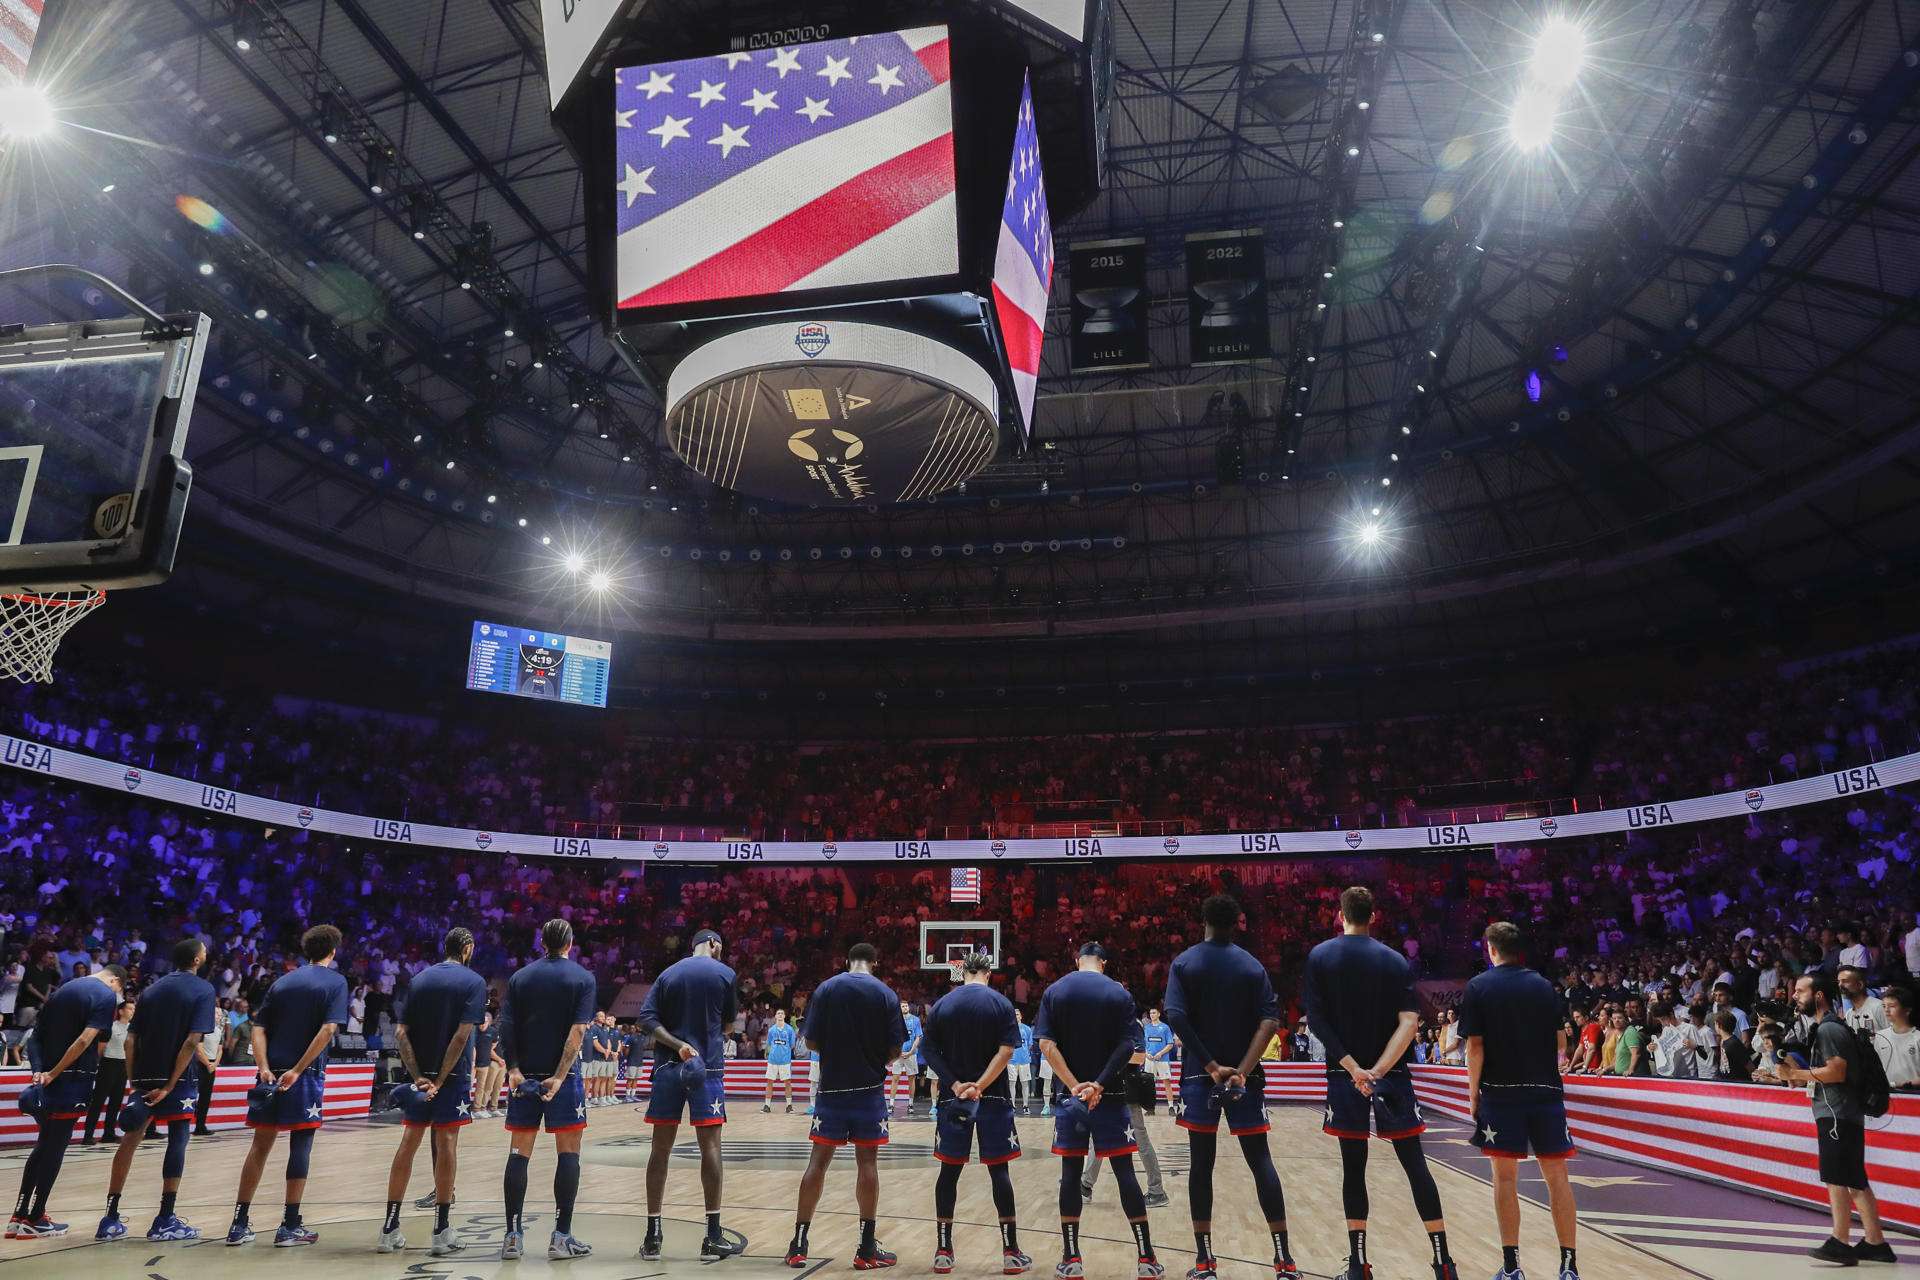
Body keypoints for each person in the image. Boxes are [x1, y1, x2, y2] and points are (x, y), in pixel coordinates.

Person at [1302, 886, 1457, 1280]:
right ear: (1373, 916)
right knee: (1415, 1164)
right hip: (1394, 1076)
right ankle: (1444, 1263)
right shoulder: (1394, 960)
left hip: (1345, 1076)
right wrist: (1380, 1070)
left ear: (1340, 915)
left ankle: (1358, 1265)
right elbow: (1409, 1022)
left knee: (1353, 1169)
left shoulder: (1320, 956)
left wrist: (1355, 1069)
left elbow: (1316, 1021)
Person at [1163, 895, 1294, 1280]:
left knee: (1201, 1166)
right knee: (1261, 1161)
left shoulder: (1184, 963)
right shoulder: (1252, 965)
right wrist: (1243, 1071)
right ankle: (1284, 1260)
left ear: (1203, 921)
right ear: (1237, 922)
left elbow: (1175, 1016)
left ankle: (1204, 1262)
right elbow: (1270, 1021)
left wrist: (1211, 1065)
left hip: (1198, 1077)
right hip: (1245, 1078)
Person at [1036, 942, 1163, 1280]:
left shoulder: (1055, 991)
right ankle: (1146, 1259)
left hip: (1071, 1099)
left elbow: (1046, 1044)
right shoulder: (1118, 993)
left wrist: (1076, 1086)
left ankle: (1071, 1259)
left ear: (1077, 960)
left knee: (1070, 1175)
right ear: (1103, 963)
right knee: (1125, 1173)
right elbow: (1129, 1046)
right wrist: (1099, 1084)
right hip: (1112, 1096)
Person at [1460, 922, 1579, 1280]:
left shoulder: (1478, 986)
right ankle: (1569, 1266)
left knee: (1505, 1179)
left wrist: (1473, 1094)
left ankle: (1512, 1267)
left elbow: (1475, 1047)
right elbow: (1561, 1043)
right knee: (1557, 1177)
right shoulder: (1543, 985)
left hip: (1501, 1093)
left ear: (1491, 950)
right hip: (1545, 1092)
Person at [227, 924, 349, 1248]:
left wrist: (263, 1068)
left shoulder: (282, 982)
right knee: (301, 1146)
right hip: (303, 1075)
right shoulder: (336, 982)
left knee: (259, 1146)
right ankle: (290, 1225)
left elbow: (258, 1029)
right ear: (333, 951)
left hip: (270, 1073)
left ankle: (239, 1224)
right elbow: (328, 1030)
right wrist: (297, 1069)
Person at [787, 942, 906, 1270]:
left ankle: (799, 1244)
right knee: (867, 1165)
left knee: (817, 1164)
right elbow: (896, 1049)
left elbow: (810, 1041)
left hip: (831, 1091)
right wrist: (871, 1057)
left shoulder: (827, 989)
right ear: (875, 963)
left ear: (846, 961)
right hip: (868, 1091)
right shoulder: (886, 994)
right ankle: (866, 1249)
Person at [97, 940, 217, 1243]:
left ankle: (110, 1217)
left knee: (129, 1141)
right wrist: (170, 1084)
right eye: (204, 950)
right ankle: (165, 1219)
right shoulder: (203, 990)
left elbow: (130, 1041)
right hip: (178, 1077)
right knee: (178, 1140)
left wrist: (134, 1082)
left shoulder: (151, 990)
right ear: (197, 959)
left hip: (144, 1074)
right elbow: (192, 1042)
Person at [379, 926, 487, 1257]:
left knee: (408, 1143)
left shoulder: (419, 980)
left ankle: (389, 1229)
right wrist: (440, 1079)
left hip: (419, 1078)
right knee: (447, 1143)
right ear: (467, 949)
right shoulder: (474, 981)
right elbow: (461, 1036)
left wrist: (418, 1077)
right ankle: (441, 1230)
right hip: (450, 1078)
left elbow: (400, 1033)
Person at [921, 951, 1030, 1275]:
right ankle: (1010, 1252)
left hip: (953, 1099)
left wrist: (956, 1084)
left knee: (949, 1172)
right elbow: (1006, 1051)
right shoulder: (1001, 1004)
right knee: (999, 1172)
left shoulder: (942, 1005)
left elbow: (928, 1051)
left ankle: (943, 1251)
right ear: (988, 973)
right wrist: (980, 1085)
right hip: (992, 1097)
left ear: (962, 972)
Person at [1777, 971, 1896, 1264]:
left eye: (1801, 991)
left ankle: (1840, 1241)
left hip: (1836, 1114)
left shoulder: (1829, 1029)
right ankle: (1876, 1242)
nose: (1795, 996)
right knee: (1855, 1179)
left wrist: (1797, 1073)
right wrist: (1798, 1074)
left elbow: (1836, 1071)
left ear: (1818, 996)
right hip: (1844, 1113)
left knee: (1836, 1178)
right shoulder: (1831, 1027)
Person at [496, 918, 596, 1261]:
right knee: (568, 1153)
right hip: (561, 1078)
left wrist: (512, 1069)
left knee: (518, 1153)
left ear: (542, 943)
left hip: (524, 1077)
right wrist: (560, 1076)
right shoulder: (582, 978)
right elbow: (577, 1032)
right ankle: (561, 1237)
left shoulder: (520, 977)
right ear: (570, 943)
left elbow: (507, 1025)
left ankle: (512, 1237)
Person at [638, 927, 738, 1262]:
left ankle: (653, 1236)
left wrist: (678, 1044)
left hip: (668, 1068)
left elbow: (646, 1019)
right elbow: (728, 1026)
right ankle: (712, 1236)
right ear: (713, 944)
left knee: (660, 1150)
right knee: (710, 1147)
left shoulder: (668, 974)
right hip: (707, 1068)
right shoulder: (725, 974)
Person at [5, 963, 126, 1239]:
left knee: (44, 1144)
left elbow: (35, 1038)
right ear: (115, 981)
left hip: (46, 1080)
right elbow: (84, 1041)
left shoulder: (62, 990)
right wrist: (56, 1073)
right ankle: (36, 1217)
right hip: (71, 1081)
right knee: (56, 1147)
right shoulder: (104, 995)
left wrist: (40, 1072)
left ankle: (20, 1215)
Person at [1079, 1018, 1170, 1211]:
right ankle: (1085, 1186)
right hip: (1107, 1089)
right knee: (1098, 1137)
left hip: (1127, 1092)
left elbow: (1139, 1057)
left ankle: (1157, 1191)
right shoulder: (1105, 1021)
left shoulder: (1131, 1023)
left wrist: (1111, 1058)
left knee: (1140, 1140)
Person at [83, 1000, 134, 1145]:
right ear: (121, 1011)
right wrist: (97, 1063)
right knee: (98, 1100)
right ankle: (88, 1134)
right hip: (108, 1063)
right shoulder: (110, 1026)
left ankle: (109, 1133)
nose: (132, 1011)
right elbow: (100, 1048)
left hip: (123, 1065)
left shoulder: (132, 1028)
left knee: (116, 1101)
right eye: (130, 1008)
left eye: (134, 1009)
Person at [1874, 987, 1919, 1090]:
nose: (1886, 1010)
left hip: (1914, 1095)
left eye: (1892, 1006)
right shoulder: (1880, 1036)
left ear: (1907, 1010)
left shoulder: (1917, 1038)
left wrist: (1896, 1084)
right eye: (1884, 1006)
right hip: (1888, 1094)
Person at [890, 999, 923, 1117]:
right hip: (898, 1055)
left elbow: (918, 1037)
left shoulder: (915, 1020)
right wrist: (897, 1052)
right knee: (895, 1078)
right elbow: (892, 1037)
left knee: (911, 1079)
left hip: (911, 1054)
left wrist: (910, 1052)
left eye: (906, 1006)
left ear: (908, 1007)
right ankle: (891, 1104)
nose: (905, 1008)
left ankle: (910, 1104)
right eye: (902, 1006)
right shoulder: (895, 1021)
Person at [1142, 1008, 1177, 1114]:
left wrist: (1160, 1053)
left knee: (1166, 1083)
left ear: (1158, 1014)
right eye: (1150, 1013)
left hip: (1163, 1060)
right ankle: (1150, 1108)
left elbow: (1170, 1044)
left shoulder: (1165, 1027)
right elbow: (1143, 1043)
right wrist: (1146, 1053)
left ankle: (1171, 1107)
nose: (1152, 1015)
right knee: (1149, 1084)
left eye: (1154, 1013)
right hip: (1149, 1060)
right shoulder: (1146, 1028)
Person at [764, 1008, 800, 1113]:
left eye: (782, 1013)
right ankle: (767, 1106)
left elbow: (792, 1045)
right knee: (769, 1082)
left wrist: (784, 1051)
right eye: (778, 1013)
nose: (780, 1015)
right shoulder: (771, 1030)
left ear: (784, 1016)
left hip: (785, 1060)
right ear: (775, 1016)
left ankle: (789, 1106)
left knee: (787, 1082)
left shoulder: (790, 1029)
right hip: (772, 1060)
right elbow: (769, 1044)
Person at [1838, 966, 1888, 1033]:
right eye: (1838, 982)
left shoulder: (1878, 1007)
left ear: (1860, 984)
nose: (1840, 985)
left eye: (1845, 981)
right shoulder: (1849, 1014)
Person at [1711, 1012, 1754, 1082]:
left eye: (1715, 1024)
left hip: (1737, 1082)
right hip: (1726, 1081)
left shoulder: (1734, 1043)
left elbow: (1750, 1066)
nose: (1714, 1026)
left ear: (1719, 1025)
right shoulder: (1723, 1040)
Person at [1011, 1009, 1036, 1114]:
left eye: (1017, 1014)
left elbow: (1030, 1044)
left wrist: (1024, 1053)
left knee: (1025, 1083)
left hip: (1024, 1060)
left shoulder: (1027, 1029)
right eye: (1014, 1014)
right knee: (1012, 1083)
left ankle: (1025, 1106)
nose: (1016, 1016)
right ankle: (1012, 1106)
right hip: (1011, 1060)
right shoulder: (1009, 1028)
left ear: (1021, 1016)